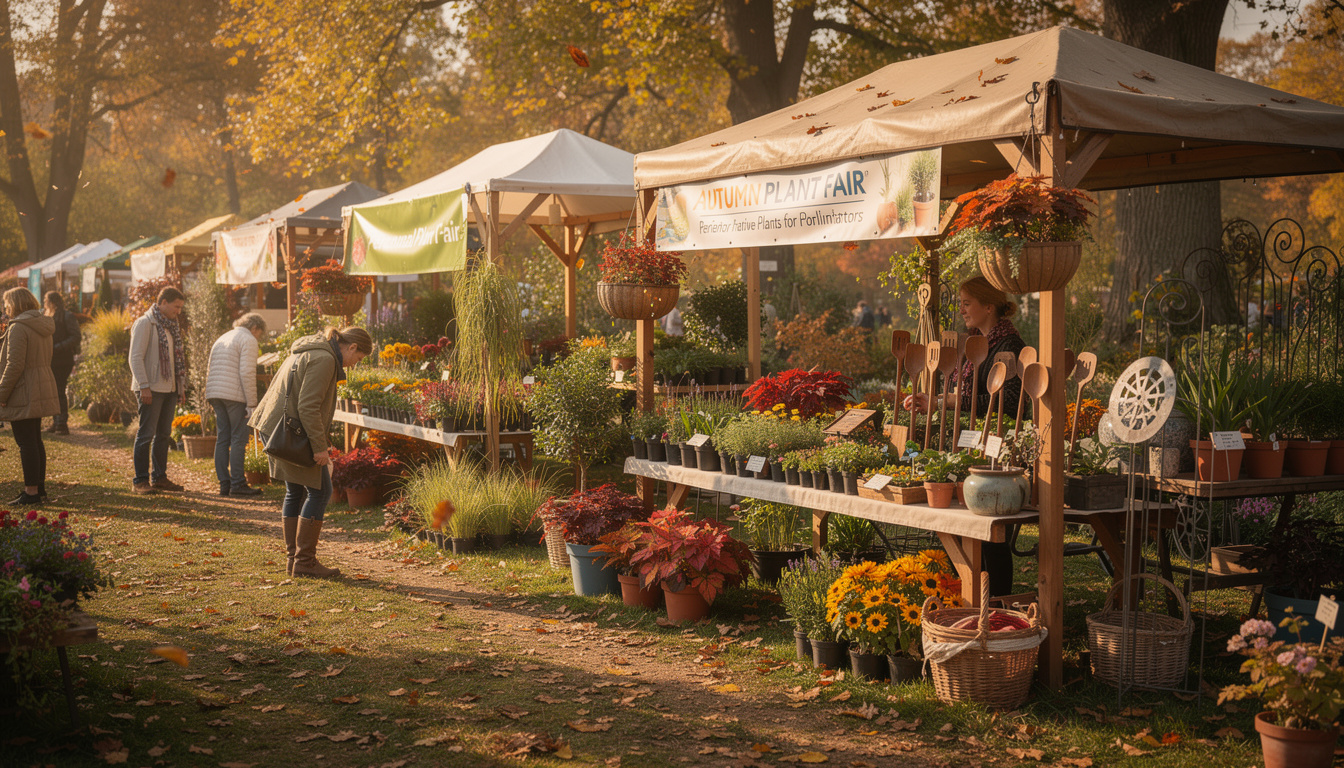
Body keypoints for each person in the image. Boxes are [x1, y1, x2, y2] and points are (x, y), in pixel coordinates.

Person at [904, 276, 1025, 596]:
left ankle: (996, 602)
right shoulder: (974, 344)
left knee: (989, 532)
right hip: (969, 444)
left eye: (967, 303)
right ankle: (967, 595)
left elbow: (1009, 404)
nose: (961, 309)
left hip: (995, 450)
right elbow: (963, 397)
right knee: (961, 527)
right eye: (960, 303)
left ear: (989, 306)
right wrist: (934, 402)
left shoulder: (1009, 346)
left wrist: (949, 402)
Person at [250, 326, 372, 578]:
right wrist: (319, 449)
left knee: (295, 491)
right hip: (288, 431)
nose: (354, 365)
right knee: (320, 491)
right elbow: (308, 407)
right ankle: (304, 562)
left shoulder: (310, 350)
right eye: (358, 358)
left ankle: (294, 560)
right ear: (351, 347)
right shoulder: (325, 359)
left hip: (277, 427)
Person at [0, 288, 59, 505]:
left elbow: (14, 365)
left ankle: (31, 492)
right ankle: (38, 488)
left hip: (23, 388)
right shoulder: (41, 324)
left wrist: (2, 393)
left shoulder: (19, 327)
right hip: (40, 383)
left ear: (15, 304)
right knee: (34, 440)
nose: (5, 308)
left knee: (26, 442)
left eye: (7, 304)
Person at [128, 286, 188, 495]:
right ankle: (140, 481)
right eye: (176, 306)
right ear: (163, 302)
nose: (178, 311)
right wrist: (144, 386)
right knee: (146, 434)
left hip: (169, 389)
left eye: (180, 307)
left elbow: (175, 361)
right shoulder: (145, 323)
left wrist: (180, 387)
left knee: (163, 435)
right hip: (150, 388)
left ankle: (159, 477)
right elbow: (135, 357)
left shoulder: (171, 326)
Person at [205, 313, 268, 497]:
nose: (258, 337)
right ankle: (238, 484)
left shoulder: (223, 337)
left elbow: (210, 368)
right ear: (255, 328)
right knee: (238, 439)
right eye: (259, 333)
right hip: (234, 395)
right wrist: (252, 403)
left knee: (223, 438)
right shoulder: (248, 339)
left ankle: (224, 484)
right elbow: (247, 372)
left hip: (215, 393)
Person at [44, 291, 80, 435]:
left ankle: (61, 424)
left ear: (52, 302)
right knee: (54, 392)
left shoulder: (67, 316)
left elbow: (76, 337)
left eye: (46, 301)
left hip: (63, 360)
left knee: (59, 391)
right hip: (52, 359)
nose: (44, 303)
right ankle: (57, 422)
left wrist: (58, 347)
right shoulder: (49, 316)